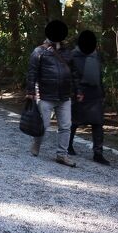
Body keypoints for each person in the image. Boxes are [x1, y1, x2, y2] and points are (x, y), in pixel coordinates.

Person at [26, 20, 76, 167]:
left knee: (66, 126)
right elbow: (32, 72)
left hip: (64, 96)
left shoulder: (67, 52)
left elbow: (74, 73)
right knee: (44, 125)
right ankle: (36, 144)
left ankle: (62, 155)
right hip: (45, 94)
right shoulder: (39, 51)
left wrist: (77, 90)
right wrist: (30, 91)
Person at [68, 30, 110, 165]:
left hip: (95, 93)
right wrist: (77, 91)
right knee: (74, 122)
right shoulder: (73, 56)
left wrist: (103, 91)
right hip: (80, 93)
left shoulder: (96, 55)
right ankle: (68, 145)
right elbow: (73, 76)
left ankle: (98, 153)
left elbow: (99, 75)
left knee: (98, 123)